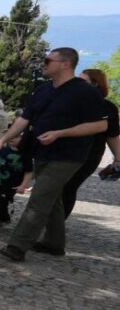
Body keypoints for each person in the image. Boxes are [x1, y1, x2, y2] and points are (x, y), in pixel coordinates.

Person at [0, 48, 109, 261]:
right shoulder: (43, 89)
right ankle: (54, 244)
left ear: (65, 64)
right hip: (42, 152)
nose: (43, 64)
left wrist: (61, 133)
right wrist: (2, 139)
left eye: (48, 60)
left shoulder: (86, 92)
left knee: (40, 198)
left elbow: (100, 125)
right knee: (52, 198)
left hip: (69, 156)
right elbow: (24, 119)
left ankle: (17, 246)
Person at [60, 68, 120, 217]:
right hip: (64, 151)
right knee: (58, 187)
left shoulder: (108, 107)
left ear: (95, 84)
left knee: (68, 187)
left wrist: (117, 159)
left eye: (83, 81)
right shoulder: (71, 101)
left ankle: (56, 226)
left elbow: (112, 137)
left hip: (89, 155)